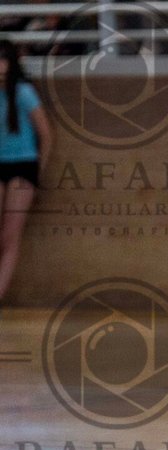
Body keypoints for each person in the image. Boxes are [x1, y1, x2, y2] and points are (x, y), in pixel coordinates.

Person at [0, 38, 48, 310]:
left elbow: (46, 134)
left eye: (3, 59)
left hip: (22, 164)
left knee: (10, 235)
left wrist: (39, 171)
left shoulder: (23, 92)